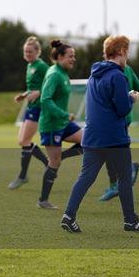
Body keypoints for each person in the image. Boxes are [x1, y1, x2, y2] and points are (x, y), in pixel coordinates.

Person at [61, 35, 139, 232]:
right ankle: (130, 221)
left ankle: (68, 216)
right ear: (120, 52)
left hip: (92, 136)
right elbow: (122, 109)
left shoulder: (95, 74)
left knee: (85, 177)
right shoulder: (118, 76)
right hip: (113, 137)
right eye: (127, 51)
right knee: (125, 178)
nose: (128, 56)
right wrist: (132, 98)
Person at [37, 40, 84, 209]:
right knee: (54, 163)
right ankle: (43, 200)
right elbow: (45, 99)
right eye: (71, 56)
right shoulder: (54, 74)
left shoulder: (63, 73)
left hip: (63, 123)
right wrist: (65, 114)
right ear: (60, 57)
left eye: (74, 56)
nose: (74, 59)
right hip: (51, 125)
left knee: (88, 140)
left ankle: (60, 156)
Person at [8, 36, 49, 189]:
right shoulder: (30, 66)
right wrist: (24, 95)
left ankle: (23, 176)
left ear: (38, 52)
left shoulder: (42, 66)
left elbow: (50, 84)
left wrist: (38, 93)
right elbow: (33, 86)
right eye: (25, 51)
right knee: (22, 141)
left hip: (39, 106)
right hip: (31, 106)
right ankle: (48, 165)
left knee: (24, 141)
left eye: (30, 51)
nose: (27, 54)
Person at [99, 64, 139, 201]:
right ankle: (116, 183)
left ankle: (120, 179)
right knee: (112, 150)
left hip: (115, 117)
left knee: (108, 150)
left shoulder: (111, 70)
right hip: (123, 117)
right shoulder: (128, 68)